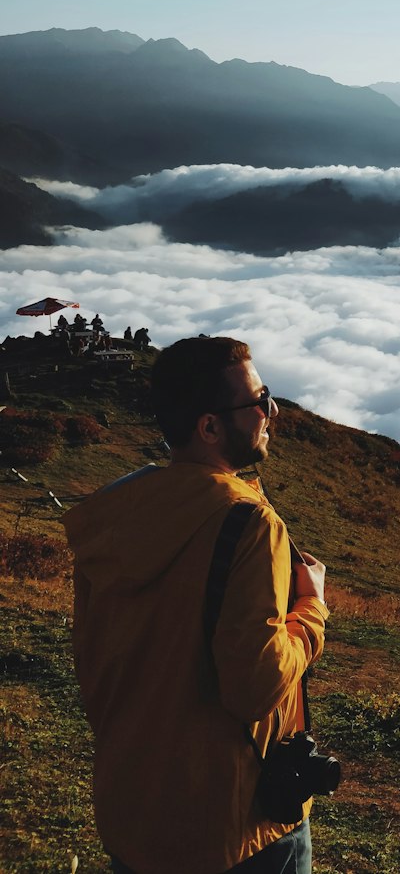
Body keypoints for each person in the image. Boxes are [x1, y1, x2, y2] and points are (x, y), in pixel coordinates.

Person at [63, 336, 330, 874]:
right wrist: (312, 609)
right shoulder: (248, 525)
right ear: (209, 427)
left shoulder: (114, 516)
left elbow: (95, 662)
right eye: (258, 400)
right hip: (233, 827)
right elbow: (255, 685)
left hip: (135, 809)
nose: (271, 410)